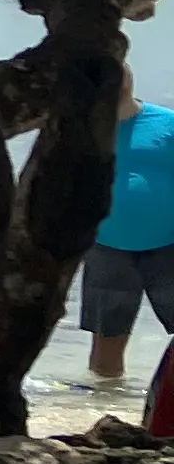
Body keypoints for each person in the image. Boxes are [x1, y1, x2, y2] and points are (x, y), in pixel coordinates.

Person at [79, 75, 174, 388]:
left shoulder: (166, 123)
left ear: (130, 81)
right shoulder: (82, 130)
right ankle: (103, 405)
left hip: (168, 245)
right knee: (108, 339)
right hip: (106, 247)